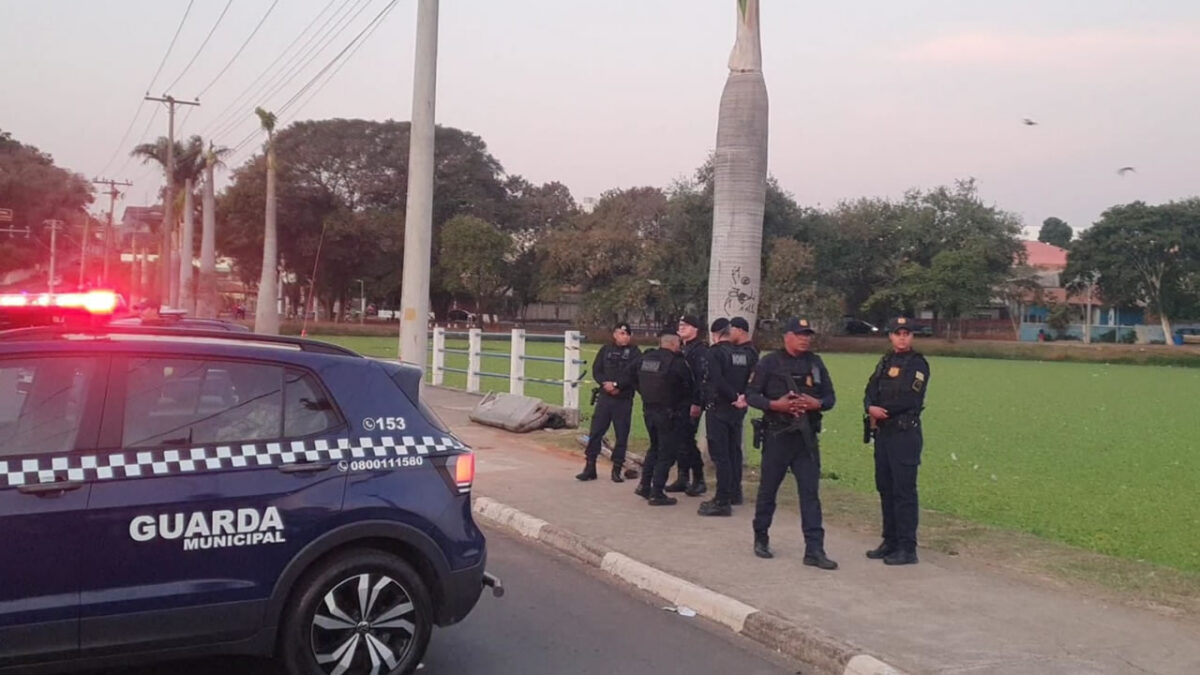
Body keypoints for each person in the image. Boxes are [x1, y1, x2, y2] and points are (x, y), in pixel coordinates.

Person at [746, 317, 838, 569]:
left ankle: (815, 549)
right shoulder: (769, 363)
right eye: (799, 334)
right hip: (778, 436)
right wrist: (776, 405)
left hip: (805, 438)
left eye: (807, 334)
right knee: (768, 491)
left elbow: (830, 397)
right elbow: (752, 395)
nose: (805, 338)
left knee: (810, 494)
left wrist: (816, 403)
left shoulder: (815, 363)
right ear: (787, 336)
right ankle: (761, 537)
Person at [863, 316, 931, 565]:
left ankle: (907, 547)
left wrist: (883, 410)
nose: (902, 337)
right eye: (898, 333)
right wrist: (870, 407)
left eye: (907, 333)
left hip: (904, 434)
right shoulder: (885, 362)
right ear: (890, 336)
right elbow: (870, 390)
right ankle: (890, 540)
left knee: (904, 491)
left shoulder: (918, 364)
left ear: (912, 337)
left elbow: (910, 398)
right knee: (885, 488)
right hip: (884, 433)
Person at [699, 316, 758, 516]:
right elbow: (751, 378)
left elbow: (716, 379)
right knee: (734, 451)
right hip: (738, 408)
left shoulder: (714, 353)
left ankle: (722, 501)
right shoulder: (743, 354)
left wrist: (733, 397)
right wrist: (742, 398)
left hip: (720, 407)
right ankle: (735, 492)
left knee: (721, 455)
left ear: (715, 334)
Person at [632, 330, 694, 506]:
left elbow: (632, 377)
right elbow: (688, 387)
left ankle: (644, 485)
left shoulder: (646, 359)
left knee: (654, 448)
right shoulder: (677, 363)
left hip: (649, 410)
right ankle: (657, 492)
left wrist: (645, 394)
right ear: (675, 344)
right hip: (669, 413)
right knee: (666, 453)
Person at [577, 322, 642, 482]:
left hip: (623, 398)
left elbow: (634, 374)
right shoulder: (605, 350)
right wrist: (605, 384)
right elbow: (597, 370)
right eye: (621, 333)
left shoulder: (635, 353)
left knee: (621, 435)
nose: (624, 336)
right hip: (605, 398)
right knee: (596, 432)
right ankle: (590, 467)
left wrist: (617, 385)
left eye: (627, 334)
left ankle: (617, 469)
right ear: (614, 334)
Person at [665, 315, 708, 496]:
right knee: (679, 441)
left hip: (690, 402)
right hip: (676, 402)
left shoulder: (700, 351)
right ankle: (683, 477)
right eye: (680, 324)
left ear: (696, 329)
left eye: (687, 325)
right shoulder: (680, 348)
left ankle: (698, 479)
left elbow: (702, 379)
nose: (681, 327)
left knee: (688, 441)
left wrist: (697, 403)